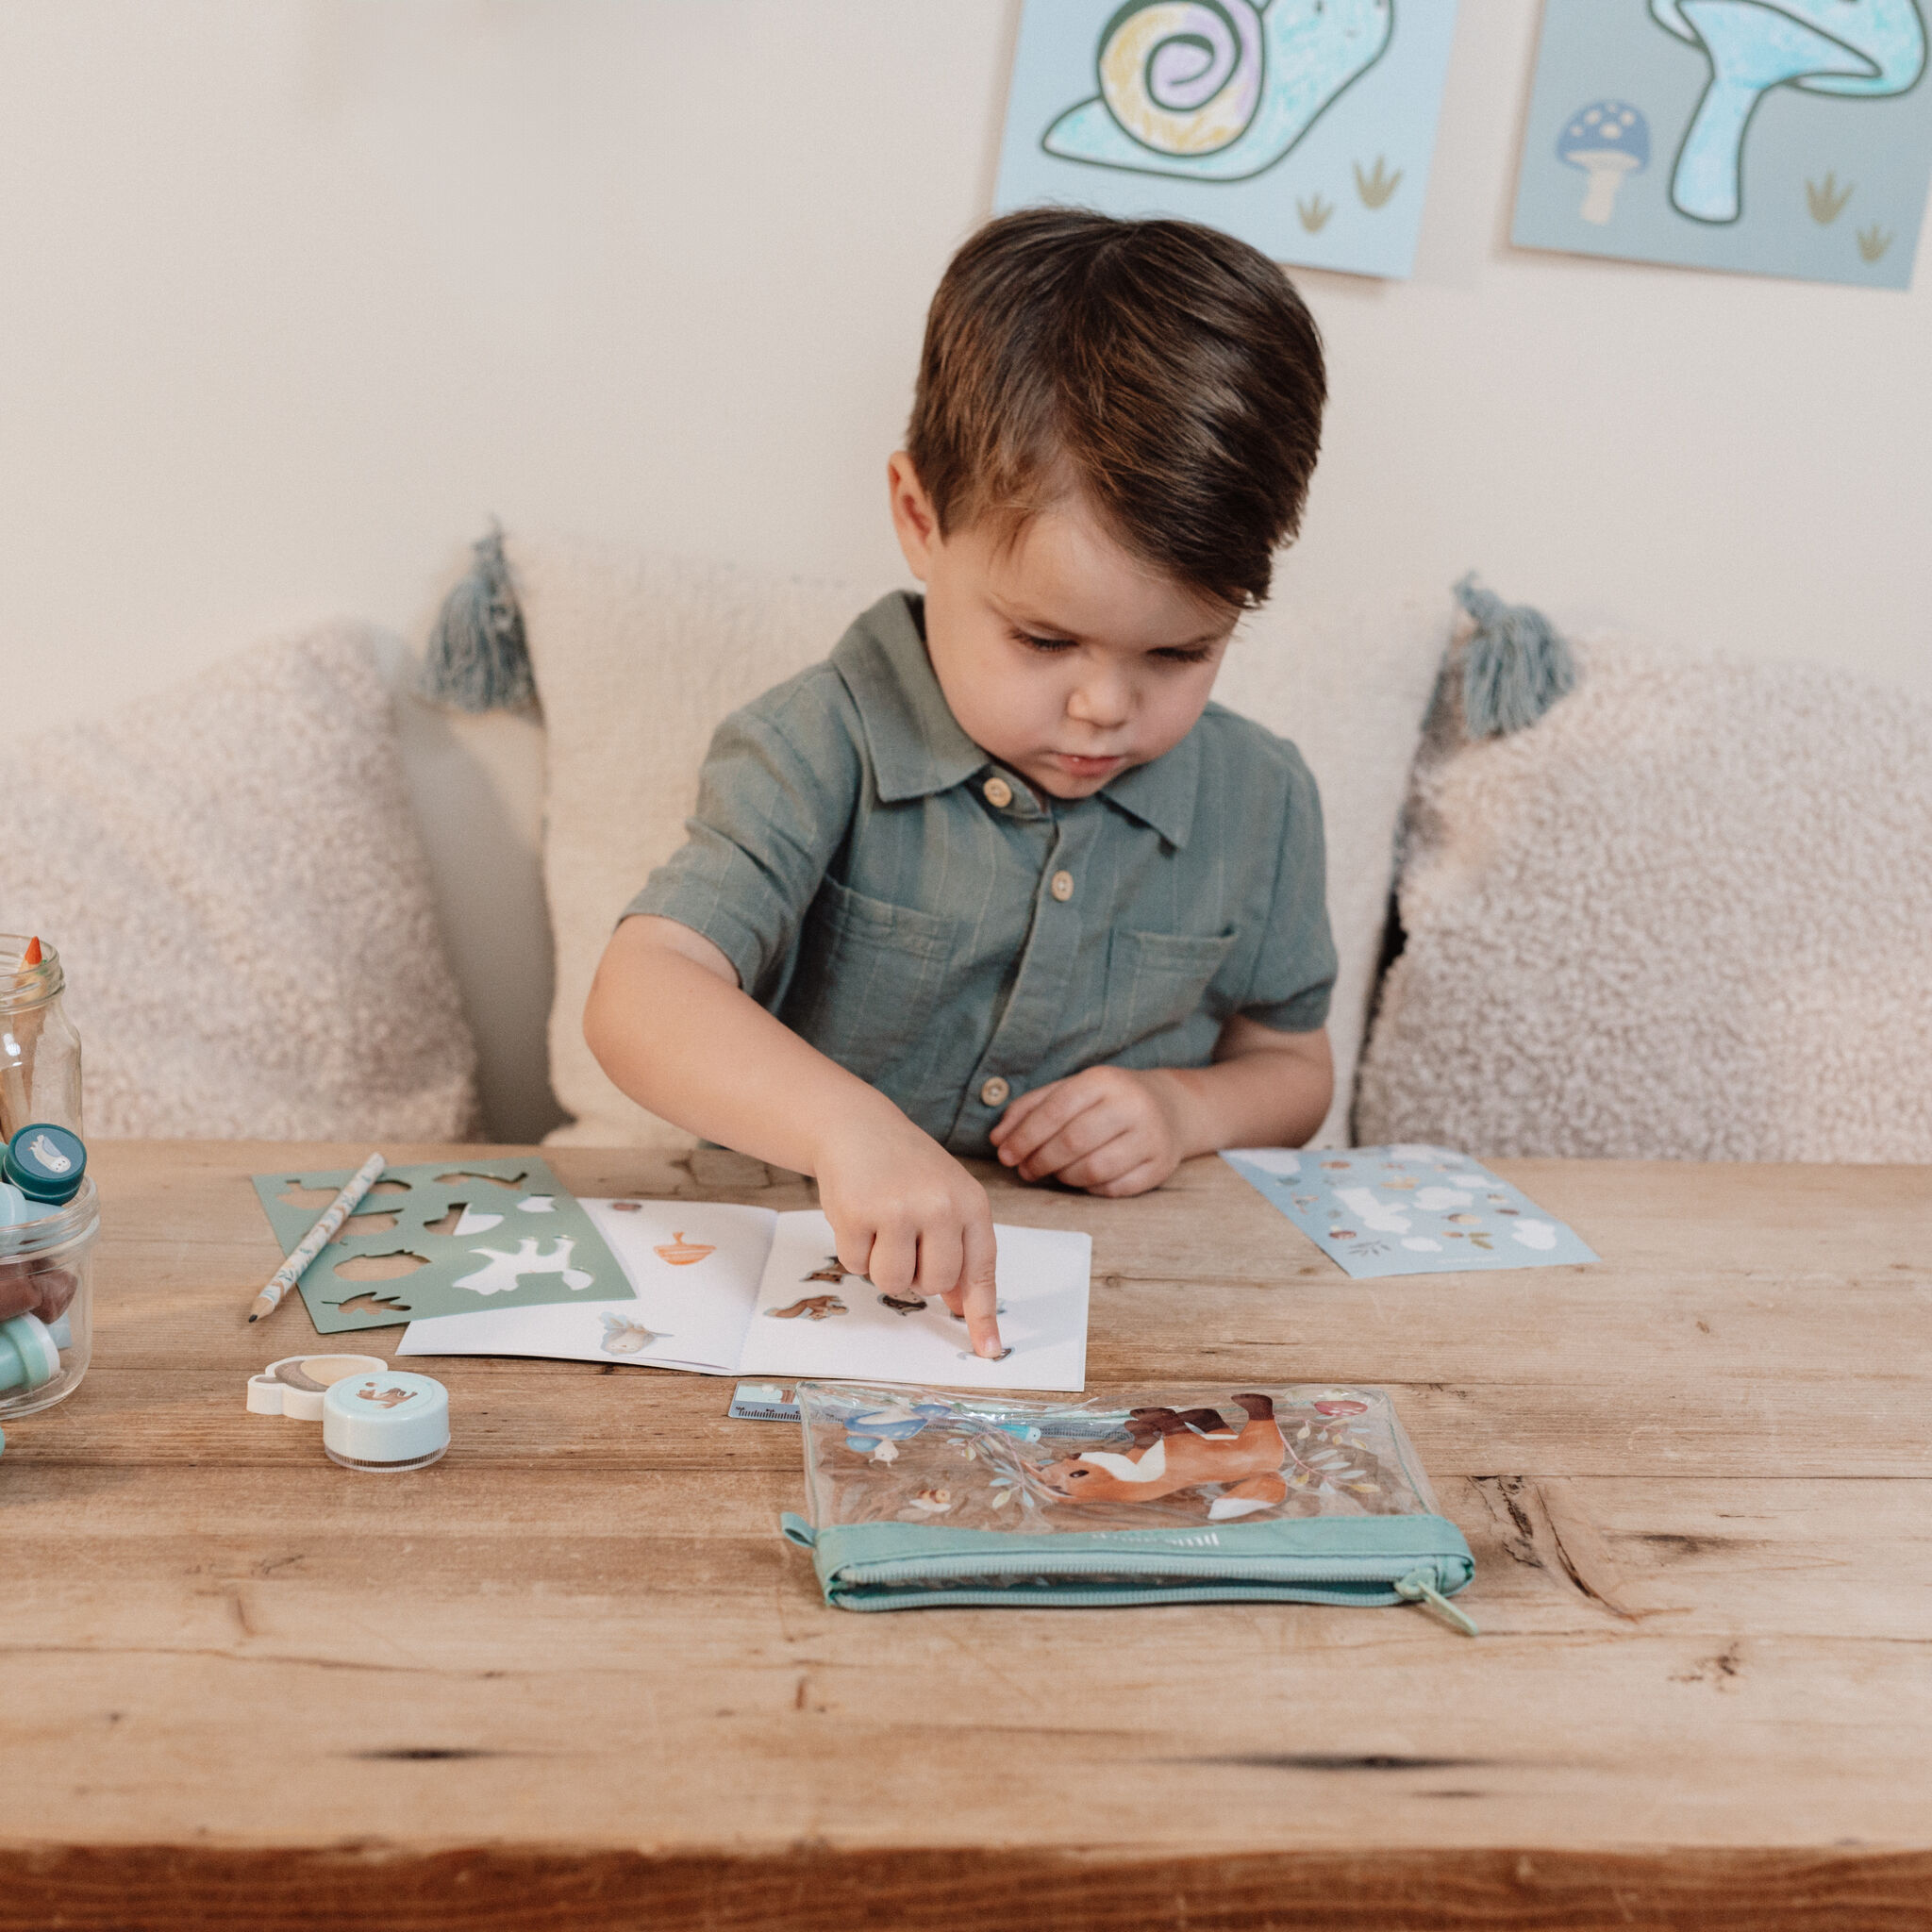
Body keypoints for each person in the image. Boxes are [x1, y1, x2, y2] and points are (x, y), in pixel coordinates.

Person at [584, 208, 1336, 1358]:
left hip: (1135, 1318)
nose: (1104, 705)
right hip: (792, 1297)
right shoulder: (815, 741)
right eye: (1042, 639)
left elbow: (1291, 1067)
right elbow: (640, 992)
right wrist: (846, 1128)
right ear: (919, 519)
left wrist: (1185, 1109)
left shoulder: (1262, 797)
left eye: (1179, 652)